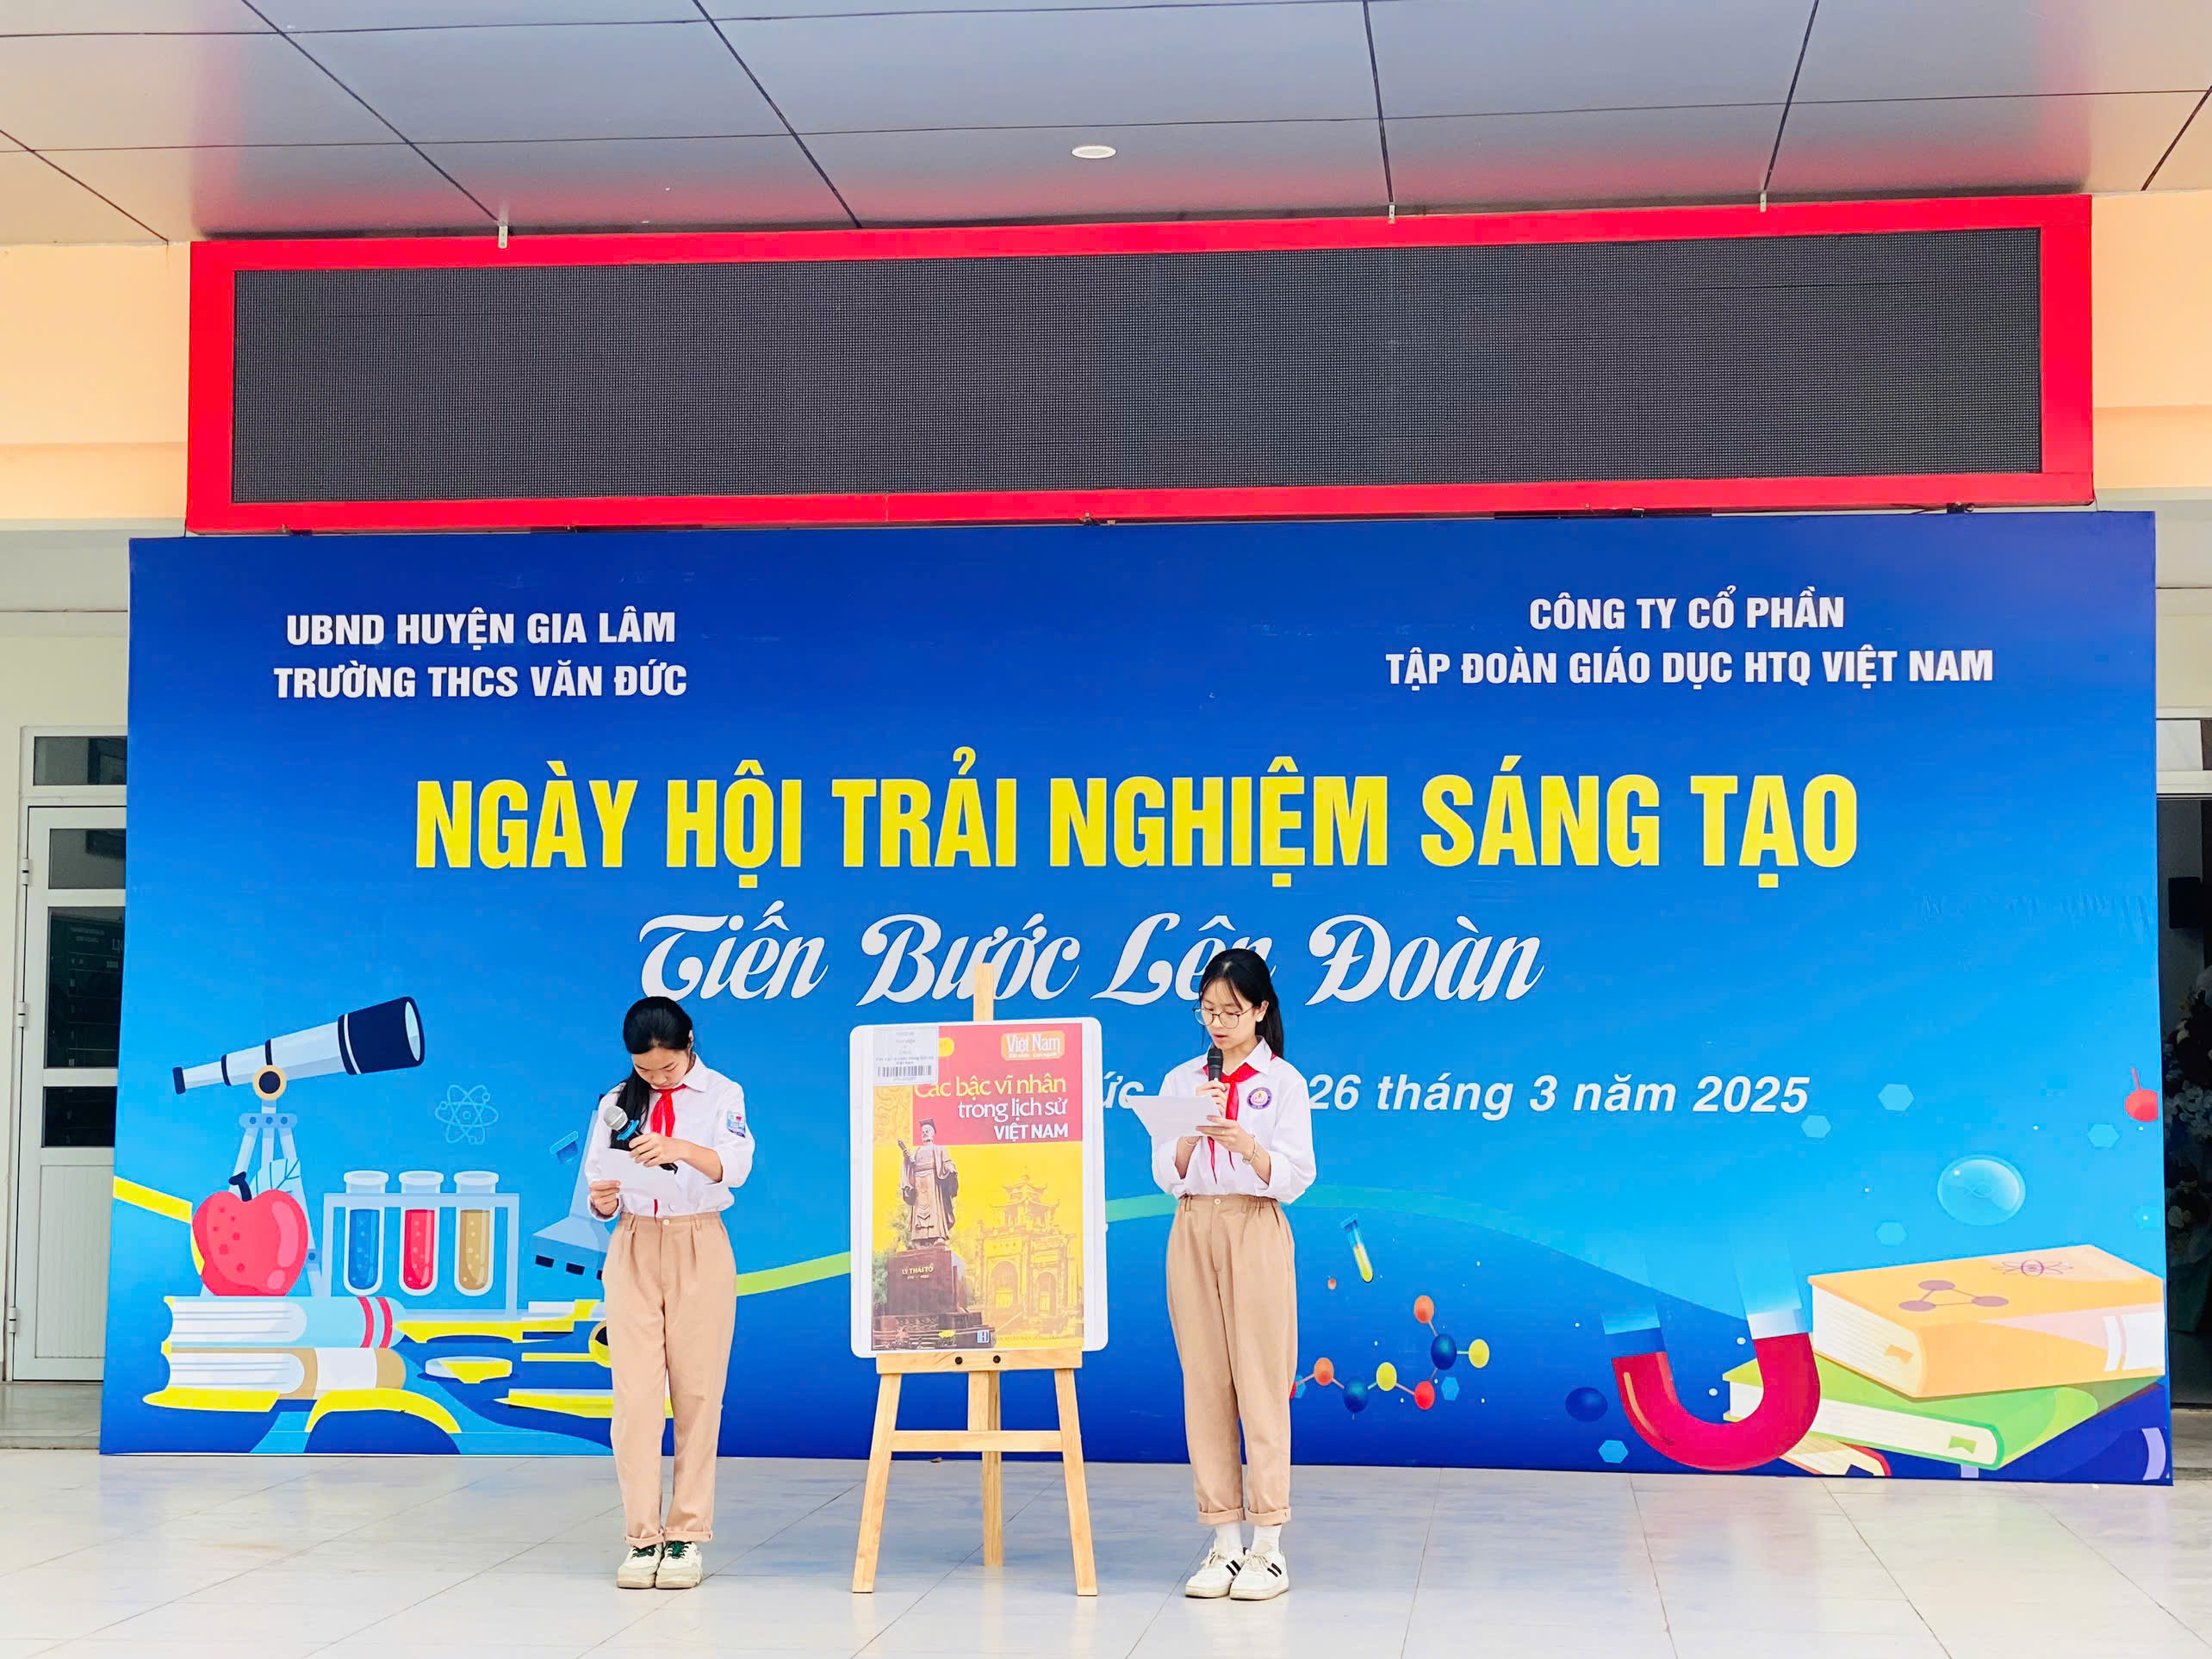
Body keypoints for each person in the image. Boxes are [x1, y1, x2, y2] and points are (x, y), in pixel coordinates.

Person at [1150, 948, 1316, 1601]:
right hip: (1193, 1225)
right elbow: (1165, 1171)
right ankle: (1223, 1542)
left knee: (1261, 1381)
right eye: (1208, 1011)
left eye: (1232, 1011)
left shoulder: (1285, 1082)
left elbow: (1296, 1177)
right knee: (1205, 1383)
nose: (1218, 1024)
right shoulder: (1182, 1079)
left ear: (1261, 1010)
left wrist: (1246, 1143)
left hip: (1254, 1224)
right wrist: (1194, 1128)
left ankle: (1268, 1546)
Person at [585, 996, 755, 1590]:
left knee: (698, 1393)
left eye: (667, 1067)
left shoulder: (722, 1094)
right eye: (645, 1069)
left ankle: (685, 1534)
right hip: (632, 1245)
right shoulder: (615, 1102)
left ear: (689, 1046)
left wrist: (679, 1148)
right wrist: (603, 1200)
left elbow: (736, 1167)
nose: (656, 1078)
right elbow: (597, 1184)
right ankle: (641, 1537)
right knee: (634, 1397)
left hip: (698, 1242)